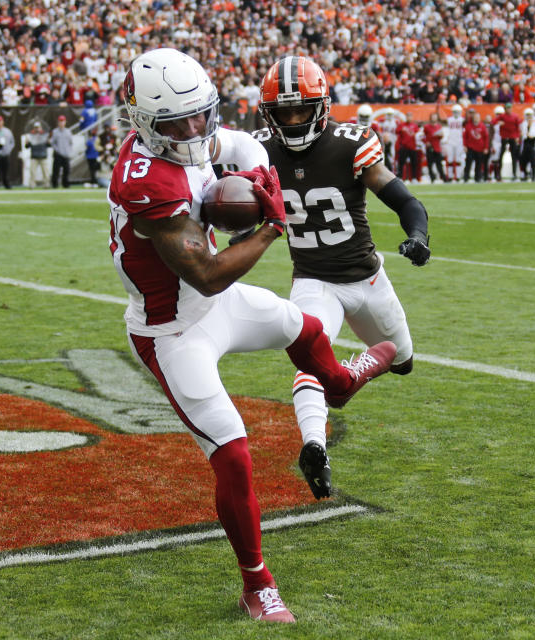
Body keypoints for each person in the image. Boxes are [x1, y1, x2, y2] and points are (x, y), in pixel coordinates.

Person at [109, 48, 396, 625]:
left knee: (304, 328)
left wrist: (258, 174)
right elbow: (207, 275)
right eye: (177, 123)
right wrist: (271, 225)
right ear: (144, 124)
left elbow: (240, 145)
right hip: (173, 329)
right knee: (234, 455)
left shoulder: (188, 135)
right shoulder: (143, 181)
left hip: (213, 304)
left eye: (200, 116)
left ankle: (341, 381)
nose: (194, 131)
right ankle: (256, 584)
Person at [254, 54, 429, 506]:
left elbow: (406, 201)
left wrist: (418, 236)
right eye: (283, 112)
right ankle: (315, 444)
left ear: (322, 105)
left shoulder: (350, 144)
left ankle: (356, 370)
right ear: (268, 114)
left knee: (404, 360)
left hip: (367, 279)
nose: (292, 120)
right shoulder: (258, 153)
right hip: (313, 280)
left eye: (300, 109)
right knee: (310, 359)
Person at [492, 102, 521, 180]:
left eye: (510, 108)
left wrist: (517, 137)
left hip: (512, 138)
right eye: (507, 108)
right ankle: (499, 174)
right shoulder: (502, 116)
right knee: (501, 155)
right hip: (504, 138)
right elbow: (493, 122)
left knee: (514, 156)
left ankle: (514, 174)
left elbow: (518, 127)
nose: (509, 109)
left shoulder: (515, 116)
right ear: (505, 109)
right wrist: (499, 122)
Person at [463, 110, 489, 182]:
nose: (476, 119)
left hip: (480, 148)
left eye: (477, 117)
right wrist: (465, 146)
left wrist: (486, 147)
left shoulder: (482, 126)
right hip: (470, 148)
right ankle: (466, 177)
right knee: (468, 163)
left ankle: (477, 178)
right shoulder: (468, 126)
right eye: (475, 117)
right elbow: (465, 137)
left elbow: (486, 138)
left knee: (479, 164)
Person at [422, 112, 446, 183]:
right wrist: (426, 142)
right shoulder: (426, 127)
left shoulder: (439, 126)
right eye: (433, 117)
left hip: (437, 147)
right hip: (430, 148)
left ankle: (443, 178)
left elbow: (441, 136)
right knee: (430, 164)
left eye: (435, 117)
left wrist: (441, 135)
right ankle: (432, 178)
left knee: (439, 164)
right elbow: (423, 136)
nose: (434, 118)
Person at [24, 121, 50, 188]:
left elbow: (48, 145)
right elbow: (27, 146)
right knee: (32, 172)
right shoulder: (31, 135)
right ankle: (32, 185)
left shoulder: (44, 135)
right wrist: (27, 143)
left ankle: (46, 184)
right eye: (36, 128)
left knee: (45, 172)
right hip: (34, 156)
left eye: (38, 127)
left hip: (43, 155)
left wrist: (48, 141)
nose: (37, 129)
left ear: (41, 128)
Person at [444, 103, 465, 181]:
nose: (456, 113)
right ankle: (449, 176)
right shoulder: (449, 119)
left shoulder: (463, 120)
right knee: (450, 159)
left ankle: (458, 176)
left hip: (459, 141)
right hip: (450, 141)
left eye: (458, 111)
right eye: (455, 111)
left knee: (459, 159)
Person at [50, 114, 73, 188]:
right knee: (56, 170)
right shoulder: (55, 131)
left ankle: (65, 183)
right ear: (58, 122)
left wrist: (69, 151)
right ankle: (55, 184)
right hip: (58, 154)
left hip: (66, 154)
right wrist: (57, 150)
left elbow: (70, 142)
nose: (61, 123)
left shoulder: (68, 131)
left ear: (65, 122)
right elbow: (53, 143)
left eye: (63, 121)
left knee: (66, 170)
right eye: (60, 121)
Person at [519, 108, 535, 181]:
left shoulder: (534, 124)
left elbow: (534, 135)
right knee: (524, 161)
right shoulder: (523, 124)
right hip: (525, 144)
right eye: (527, 115)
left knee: (533, 161)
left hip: (532, 144)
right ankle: (524, 175)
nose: (529, 117)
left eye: (530, 115)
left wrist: (527, 134)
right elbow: (522, 135)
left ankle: (533, 175)